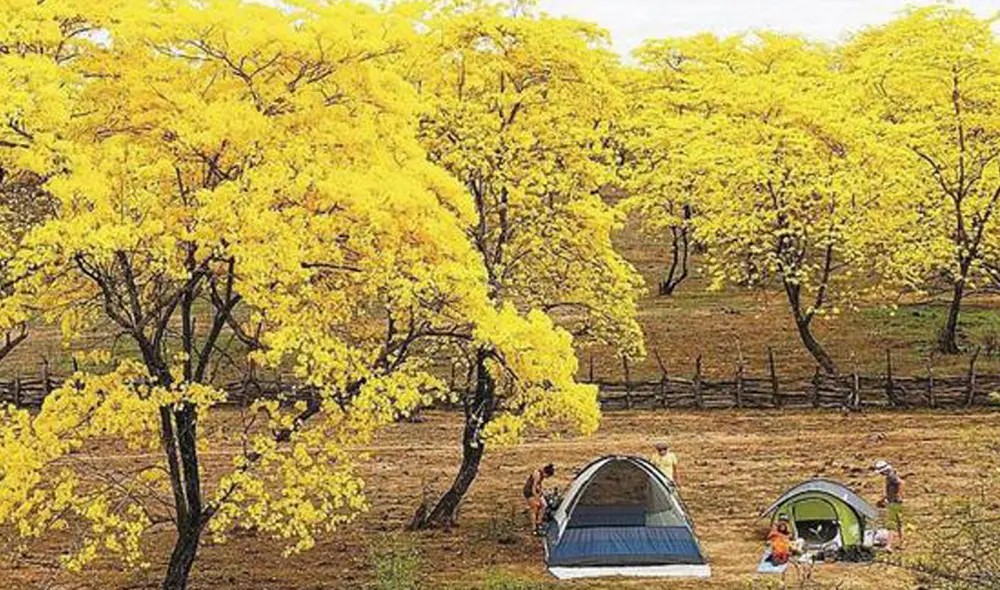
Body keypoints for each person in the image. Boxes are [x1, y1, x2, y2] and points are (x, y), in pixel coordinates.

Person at [873, 460, 905, 548]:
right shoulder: (890, 475)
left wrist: (898, 495)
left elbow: (901, 483)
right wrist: (884, 499)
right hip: (894, 501)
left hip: (894, 502)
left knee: (891, 523)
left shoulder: (891, 476)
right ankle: (902, 543)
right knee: (899, 523)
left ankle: (888, 545)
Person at [523, 463, 555, 536]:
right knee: (535, 507)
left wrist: (541, 493)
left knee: (544, 505)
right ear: (545, 473)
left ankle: (539, 522)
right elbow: (533, 489)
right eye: (547, 476)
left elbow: (539, 485)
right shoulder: (537, 474)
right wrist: (537, 499)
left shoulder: (542, 475)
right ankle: (534, 529)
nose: (546, 478)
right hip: (529, 491)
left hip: (535, 491)